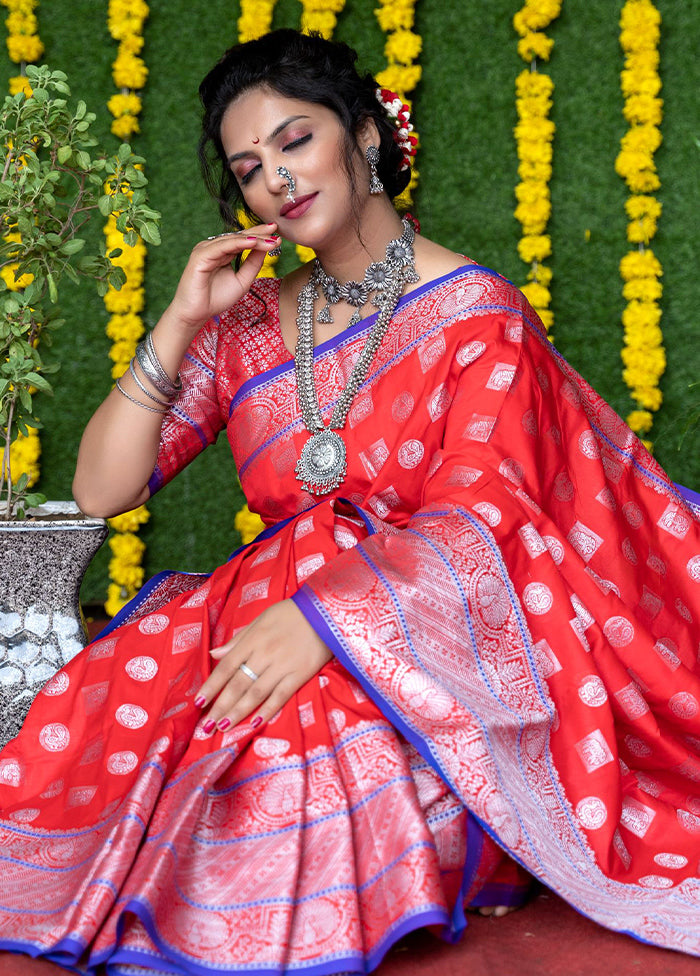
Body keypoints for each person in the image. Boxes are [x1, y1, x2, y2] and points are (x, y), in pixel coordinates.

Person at [1, 27, 699, 975]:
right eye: (251, 167)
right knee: (104, 735)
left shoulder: (475, 316)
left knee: (293, 777)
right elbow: (101, 486)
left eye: (295, 141)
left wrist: (323, 622)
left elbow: (478, 519)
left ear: (363, 136)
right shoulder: (245, 327)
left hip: (423, 643)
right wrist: (180, 317)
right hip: (253, 616)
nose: (276, 180)